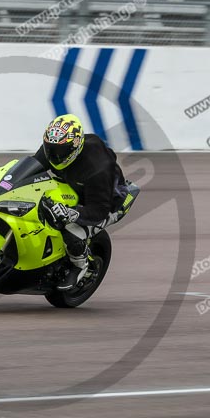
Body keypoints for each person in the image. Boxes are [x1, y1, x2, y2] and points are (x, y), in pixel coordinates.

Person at [35, 113, 127, 291]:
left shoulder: (97, 168)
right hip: (76, 188)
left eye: (60, 151)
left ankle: (80, 266)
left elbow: (99, 210)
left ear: (74, 147)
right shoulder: (54, 146)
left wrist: (73, 213)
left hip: (107, 202)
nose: (54, 155)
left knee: (69, 228)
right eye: (50, 148)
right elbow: (33, 166)